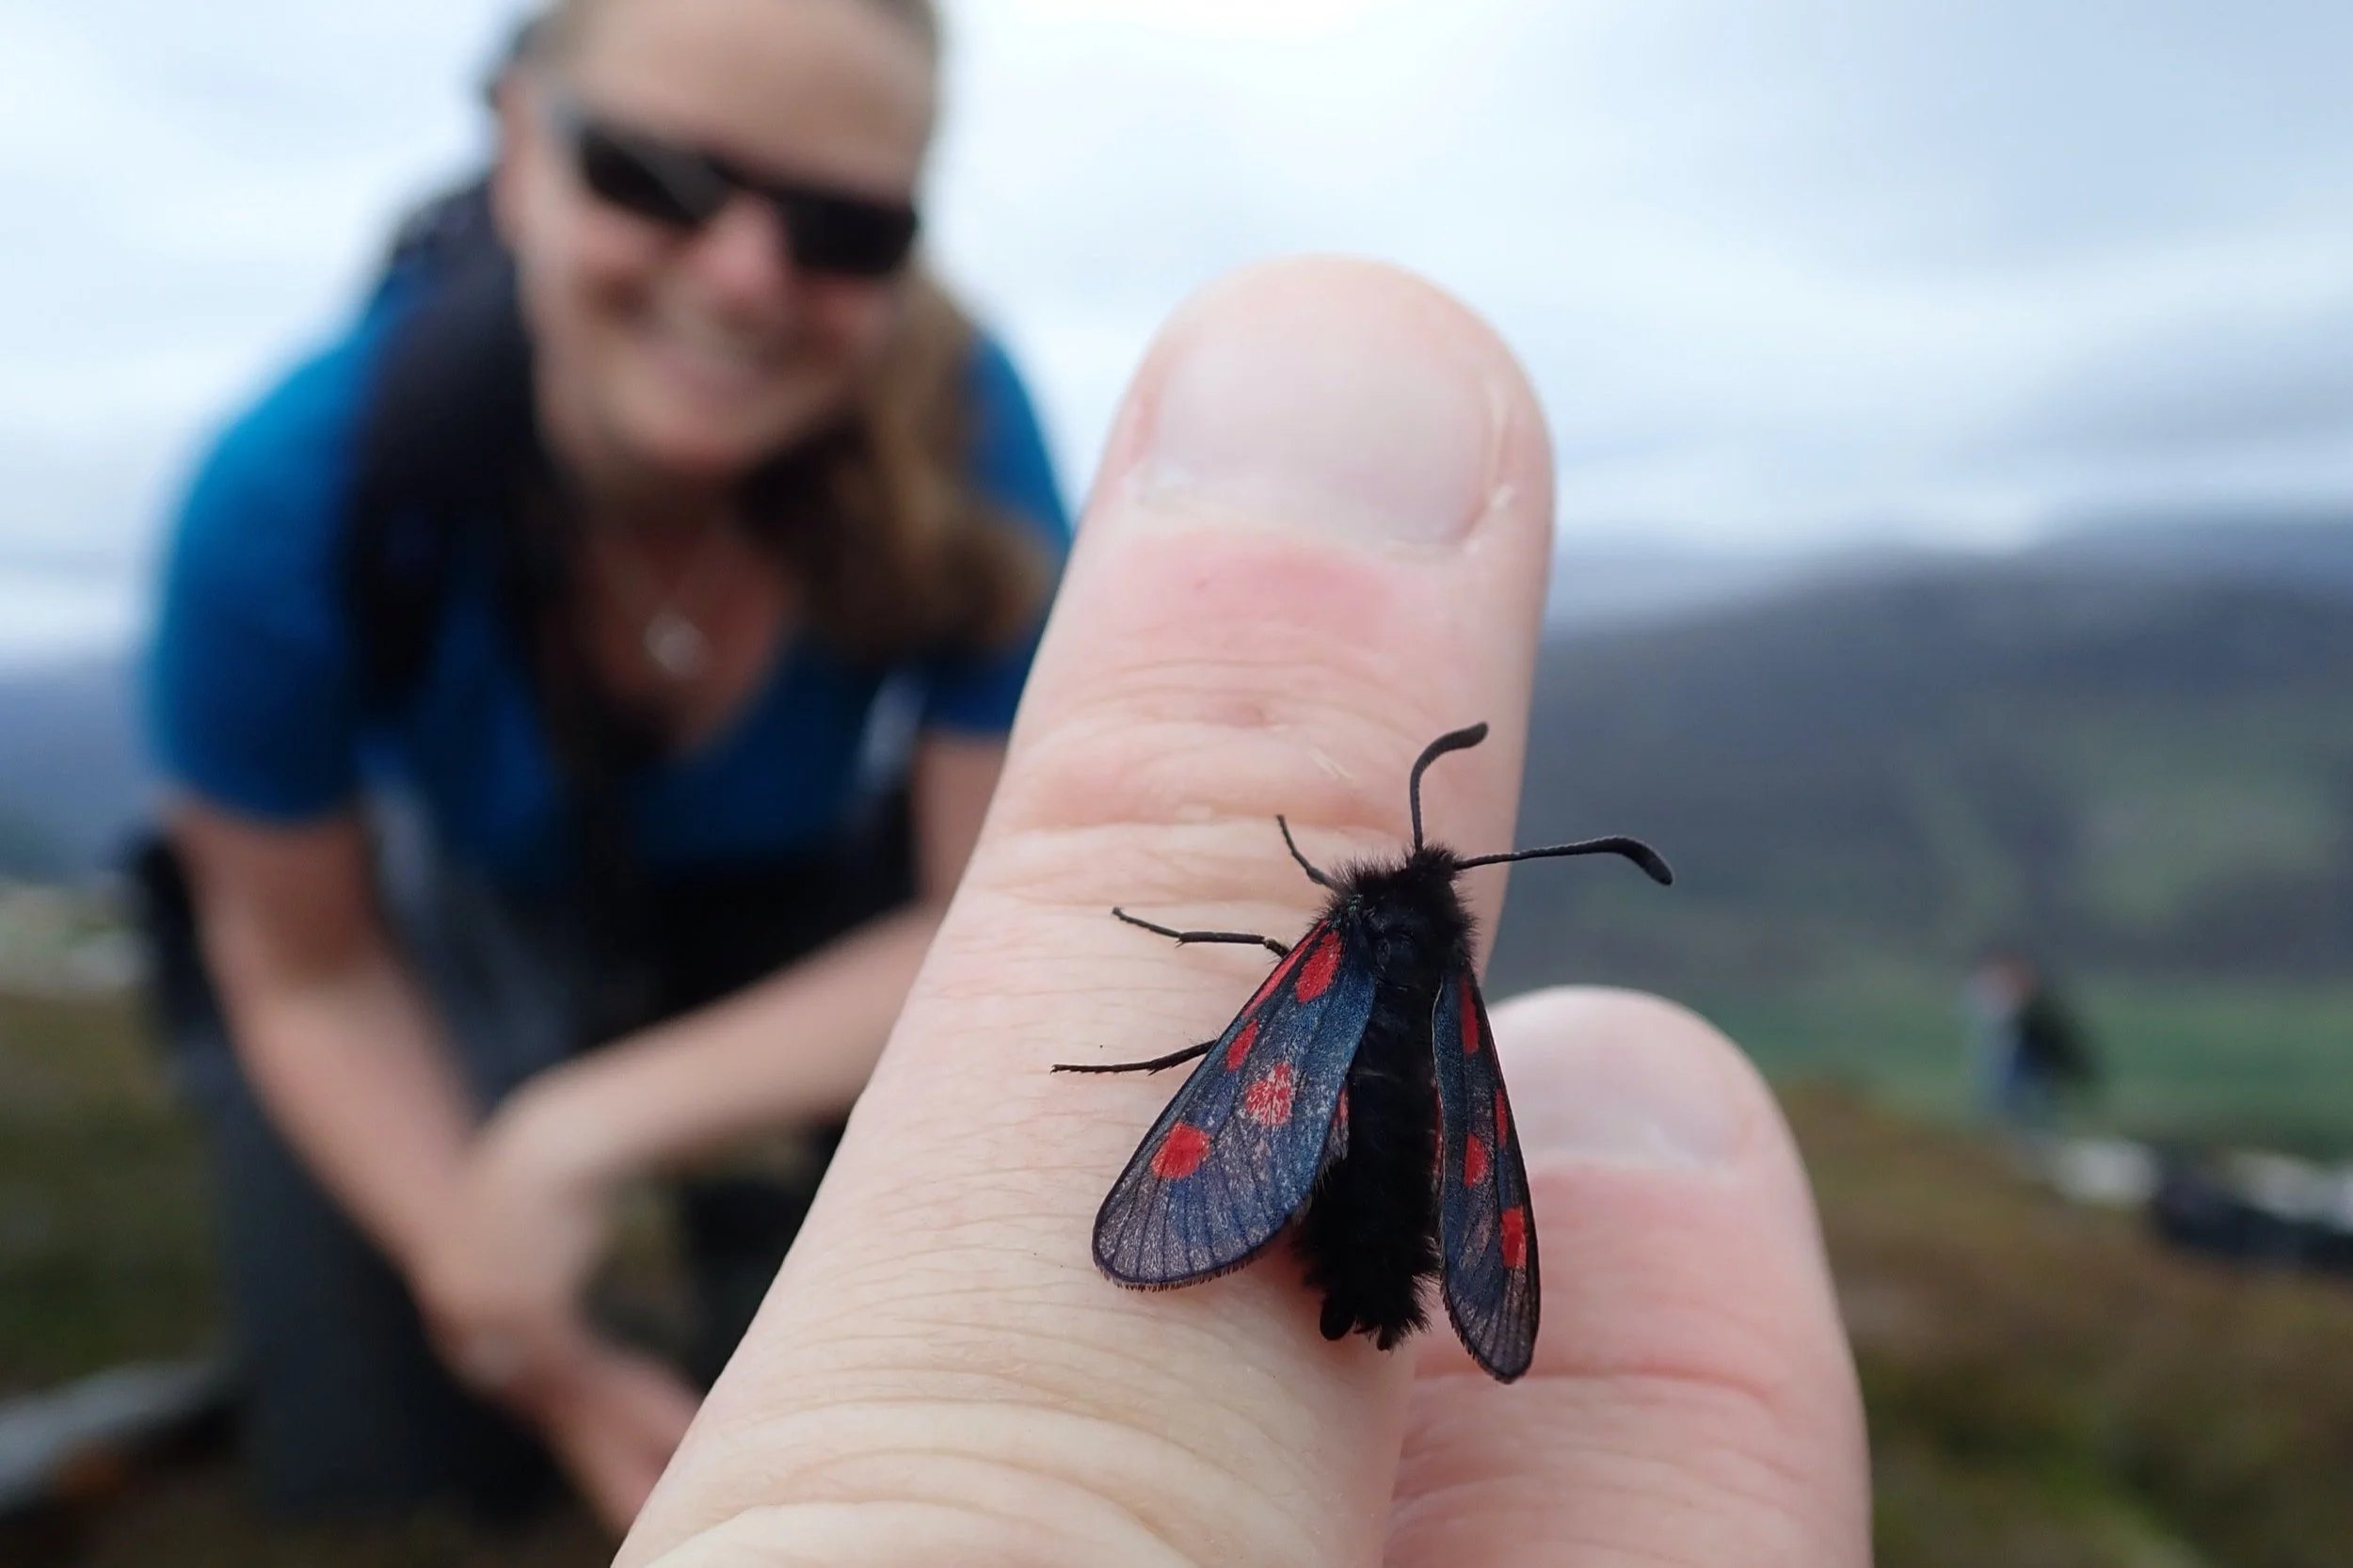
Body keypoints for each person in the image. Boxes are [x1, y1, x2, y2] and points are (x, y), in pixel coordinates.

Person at [610, 259, 1875, 1565]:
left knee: (1263, 1076)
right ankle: (1362, 1273)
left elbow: (1264, 1020)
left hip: (1281, 1125)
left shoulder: (1328, 944)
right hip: (1396, 1206)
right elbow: (1452, 1128)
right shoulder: (1448, 990)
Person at [145, 0, 1064, 1530]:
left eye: (842, 228)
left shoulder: (966, 427)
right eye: (652, 176)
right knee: (388, 1470)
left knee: (894, 1381)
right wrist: (519, 1317)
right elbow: (304, 970)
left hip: (802, 916)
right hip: (460, 927)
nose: (746, 276)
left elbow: (1004, 910)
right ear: (517, 145)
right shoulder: (288, 495)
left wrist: (581, 1133)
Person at [1968, 949, 2099, 1134]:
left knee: (2026, 1098)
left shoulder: (2038, 1008)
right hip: (2027, 1056)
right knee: (2013, 1097)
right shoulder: (2034, 1006)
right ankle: (2007, 1128)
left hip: (2034, 1057)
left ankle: (2022, 1130)